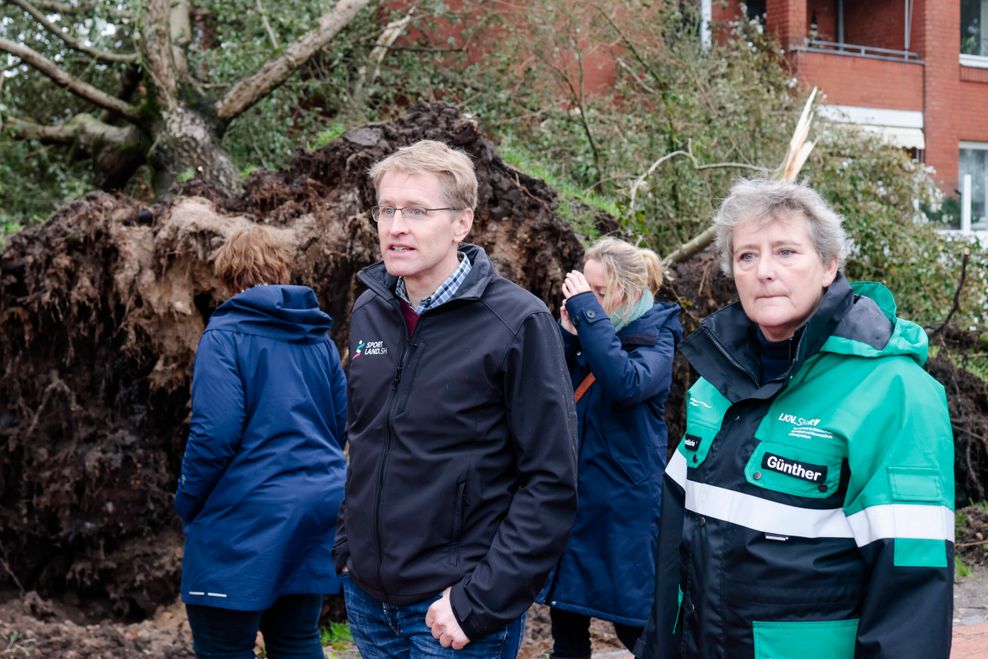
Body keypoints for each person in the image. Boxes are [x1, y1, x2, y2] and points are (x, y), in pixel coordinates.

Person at [635, 179, 955, 659]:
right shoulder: (714, 385)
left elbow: (912, 587)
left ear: (829, 266)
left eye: (786, 252)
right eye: (746, 256)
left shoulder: (894, 393)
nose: (764, 271)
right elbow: (674, 548)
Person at [335, 139, 578, 658]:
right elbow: (363, 438)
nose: (396, 226)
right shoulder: (369, 311)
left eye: (418, 211)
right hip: (368, 601)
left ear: (461, 223)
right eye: (386, 209)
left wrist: (480, 600)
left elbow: (551, 481)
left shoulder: (517, 324)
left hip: (453, 613)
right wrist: (347, 550)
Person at [174, 226, 348, 659]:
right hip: (315, 507)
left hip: (246, 515)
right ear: (282, 268)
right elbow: (340, 424)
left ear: (228, 276)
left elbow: (215, 432)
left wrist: (187, 499)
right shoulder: (319, 339)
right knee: (295, 638)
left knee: (222, 646)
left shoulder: (225, 335)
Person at [537, 237, 682, 659]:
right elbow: (551, 391)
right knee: (566, 623)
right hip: (577, 498)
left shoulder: (657, 338)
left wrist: (586, 313)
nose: (589, 302)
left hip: (625, 508)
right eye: (587, 291)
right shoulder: (592, 331)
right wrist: (566, 335)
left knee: (635, 626)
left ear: (629, 292)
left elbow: (625, 382)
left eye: (598, 293)